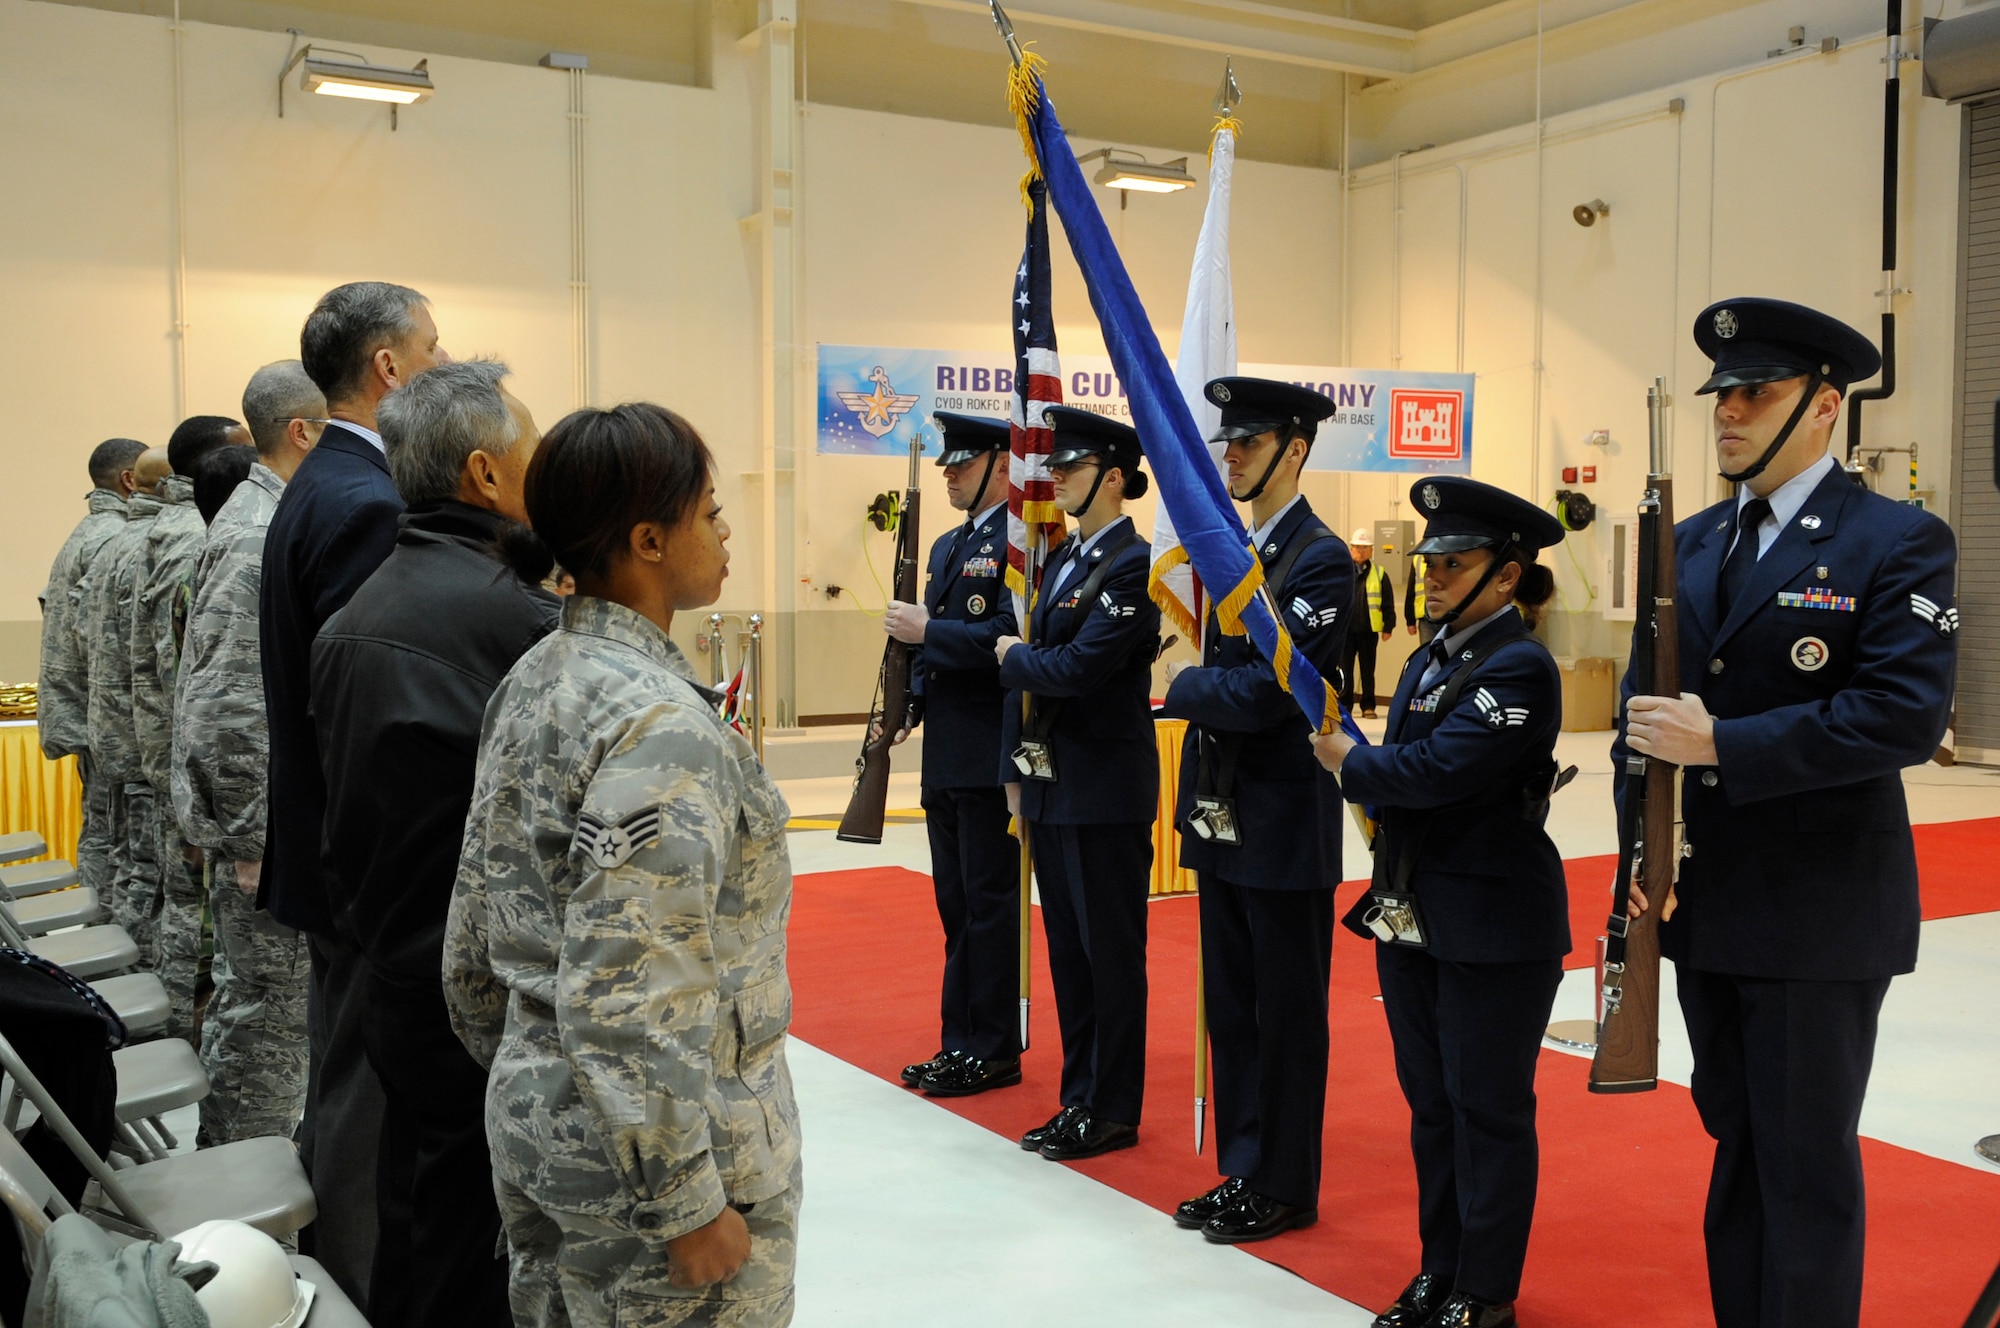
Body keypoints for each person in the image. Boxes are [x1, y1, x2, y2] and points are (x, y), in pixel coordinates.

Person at [1615, 298, 1957, 1328]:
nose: (1725, 411)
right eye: (1719, 392)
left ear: (1822, 405)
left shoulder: (1893, 539)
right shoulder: (1688, 537)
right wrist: (1641, 843)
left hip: (1816, 913)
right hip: (1705, 904)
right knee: (1738, 1148)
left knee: (1802, 1167)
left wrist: (1723, 742)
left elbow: (1900, 714)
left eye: (1751, 390)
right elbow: (1643, 707)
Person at [445, 402, 801, 1328]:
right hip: (657, 1186)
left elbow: (474, 946)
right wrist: (685, 1203)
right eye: (708, 512)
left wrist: (539, 1084)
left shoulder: (539, 676)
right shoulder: (661, 726)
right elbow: (631, 991)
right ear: (648, 538)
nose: (723, 531)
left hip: (545, 1127)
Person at [312, 360, 555, 1328]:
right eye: (535, 451)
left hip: (392, 970)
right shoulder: (518, 623)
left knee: (421, 1213)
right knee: (479, 1241)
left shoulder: (360, 609)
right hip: (477, 995)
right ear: (486, 475)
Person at [1311, 475, 1568, 1328]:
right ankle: (1440, 1269)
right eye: (1429, 563)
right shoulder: (1430, 656)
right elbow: (1407, 778)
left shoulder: (1519, 665)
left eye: (1452, 564)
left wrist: (1350, 760)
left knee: (1486, 1108)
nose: (1431, 577)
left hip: (1494, 923)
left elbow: (1434, 772)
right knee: (1431, 1106)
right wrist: (1369, 768)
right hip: (1414, 912)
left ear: (1505, 576)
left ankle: (1485, 1292)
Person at [261, 279, 449, 1307]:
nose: (439, 361)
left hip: (328, 852)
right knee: (365, 1094)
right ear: (388, 366)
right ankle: (358, 1288)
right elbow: (363, 709)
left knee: (346, 1079)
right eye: (432, 347)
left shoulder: (321, 480)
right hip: (362, 865)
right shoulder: (367, 500)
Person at [1158, 378, 1352, 1244]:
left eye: (1247, 441)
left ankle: (1285, 1181)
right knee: (1233, 1005)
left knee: (1284, 1012)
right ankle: (1243, 1167)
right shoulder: (1233, 547)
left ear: (1295, 450)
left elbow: (1276, 694)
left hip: (1280, 818)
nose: (1227, 454)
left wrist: (1186, 687)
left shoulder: (1320, 559)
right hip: (1226, 807)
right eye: (1226, 441)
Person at [995, 406, 1161, 1163]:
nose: (1054, 476)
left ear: (1115, 477)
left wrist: (1010, 656)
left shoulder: (1134, 564)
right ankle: (1080, 1096)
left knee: (1110, 955)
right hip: (1057, 785)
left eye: (1071, 466)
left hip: (1105, 789)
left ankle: (1113, 1104)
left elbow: (1079, 669)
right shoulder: (1065, 559)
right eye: (1054, 466)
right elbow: (1046, 666)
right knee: (1070, 953)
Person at [172, 360, 324, 1146]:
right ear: (303, 432)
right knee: (270, 1022)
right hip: (263, 834)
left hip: (259, 823)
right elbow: (227, 705)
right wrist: (252, 839)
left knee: (255, 1010)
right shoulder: (259, 536)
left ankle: (232, 1175)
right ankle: (250, 1216)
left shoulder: (263, 521)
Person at [882, 412, 1022, 1097]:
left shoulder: (1019, 543)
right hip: (946, 755)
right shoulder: (943, 546)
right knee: (955, 906)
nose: (948, 472)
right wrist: (907, 704)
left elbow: (1006, 635)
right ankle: (958, 1038)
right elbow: (921, 654)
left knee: (989, 907)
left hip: (990, 752)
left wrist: (930, 627)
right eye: (945, 462)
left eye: (962, 462)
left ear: (1002, 464)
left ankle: (991, 1046)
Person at [137, 415, 254, 1040]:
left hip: (177, 759)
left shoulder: (180, 537)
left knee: (185, 908)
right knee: (203, 924)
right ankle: (183, 1033)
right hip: (204, 771)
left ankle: (181, 1029)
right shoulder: (203, 545)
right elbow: (204, 687)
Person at [38, 437, 146, 898]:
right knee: (115, 842)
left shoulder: (89, 532)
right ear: (128, 480)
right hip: (105, 719)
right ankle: (106, 945)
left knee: (103, 832)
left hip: (90, 715)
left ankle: (102, 937)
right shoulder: (111, 538)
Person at [82, 445, 171, 962]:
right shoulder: (139, 542)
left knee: (121, 857)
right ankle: (132, 982)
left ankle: (117, 969)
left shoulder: (103, 539)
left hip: (116, 731)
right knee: (147, 874)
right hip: (141, 739)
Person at [1344, 528, 1397, 719]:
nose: (1361, 551)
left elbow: (1388, 601)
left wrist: (1388, 626)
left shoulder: (1379, 573)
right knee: (1345, 671)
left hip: (1368, 630)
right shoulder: (1342, 572)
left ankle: (1368, 706)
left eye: (1365, 548)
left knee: (1368, 670)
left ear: (1372, 550)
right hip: (1345, 631)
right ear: (1350, 549)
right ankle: (1345, 706)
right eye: (1358, 547)